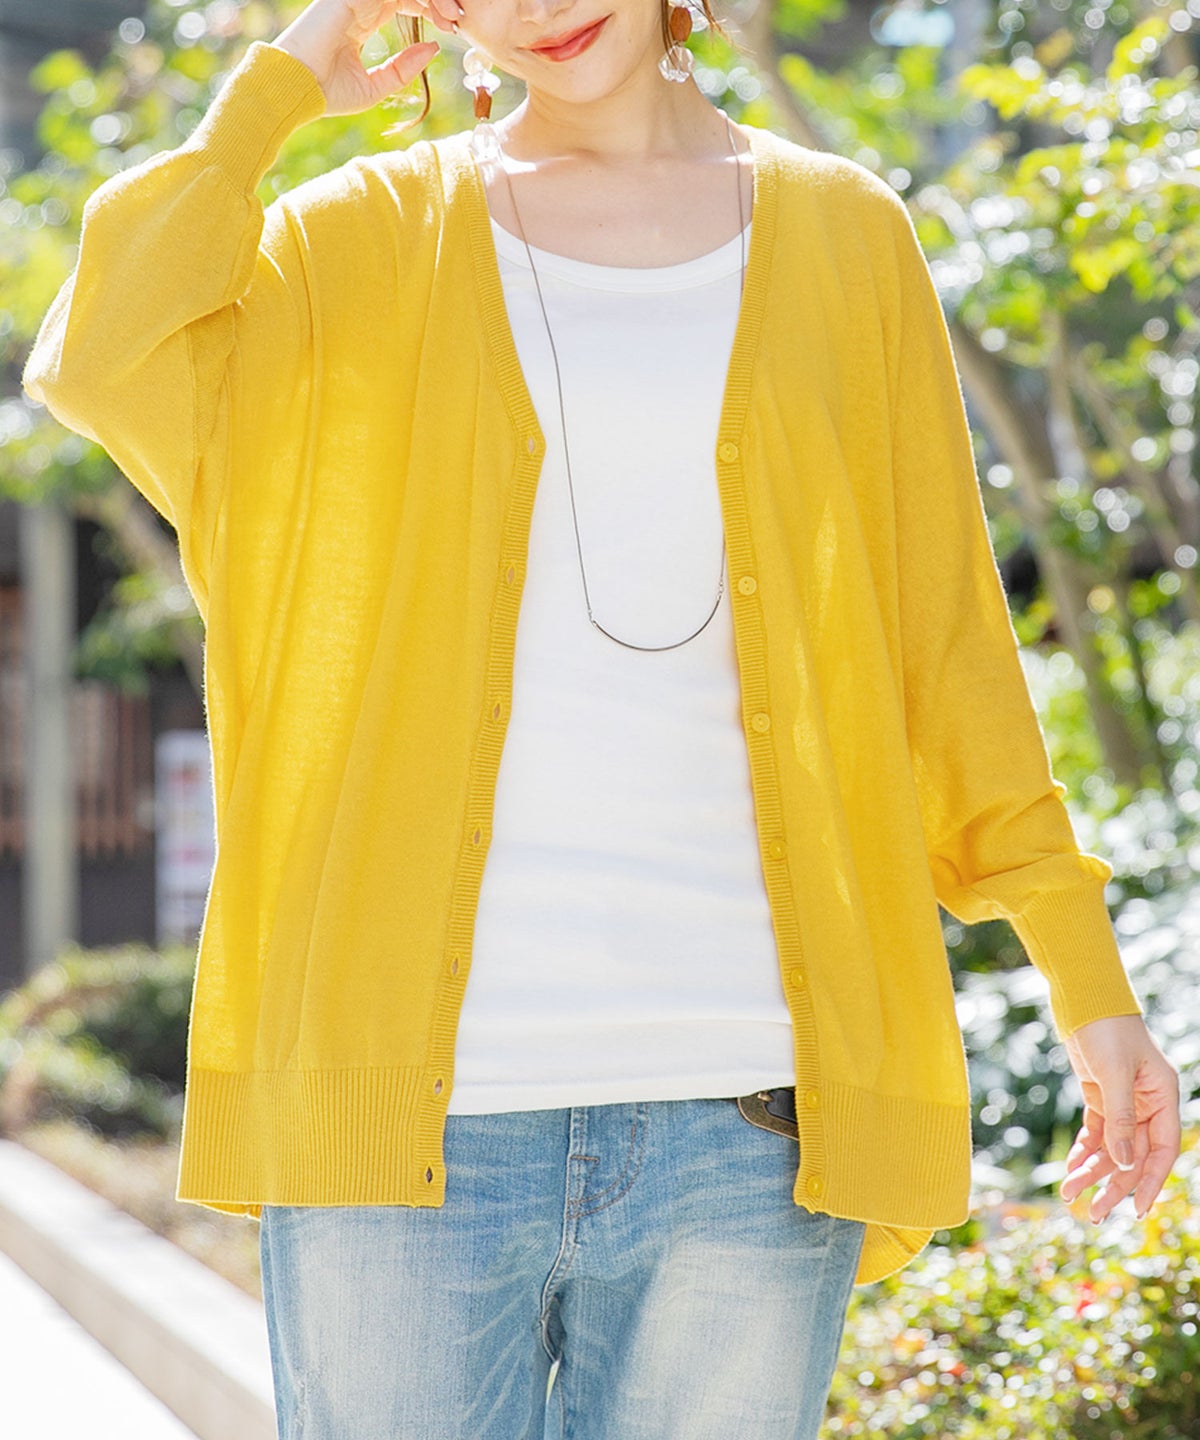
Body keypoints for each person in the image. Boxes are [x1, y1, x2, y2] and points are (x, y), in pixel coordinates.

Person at [21, 0, 1183, 1434]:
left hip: (752, 1109)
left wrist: (1087, 982)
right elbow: (100, 352)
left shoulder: (845, 235)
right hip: (402, 1114)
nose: (537, 10)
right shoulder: (357, 237)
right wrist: (283, 84)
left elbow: (946, 653)